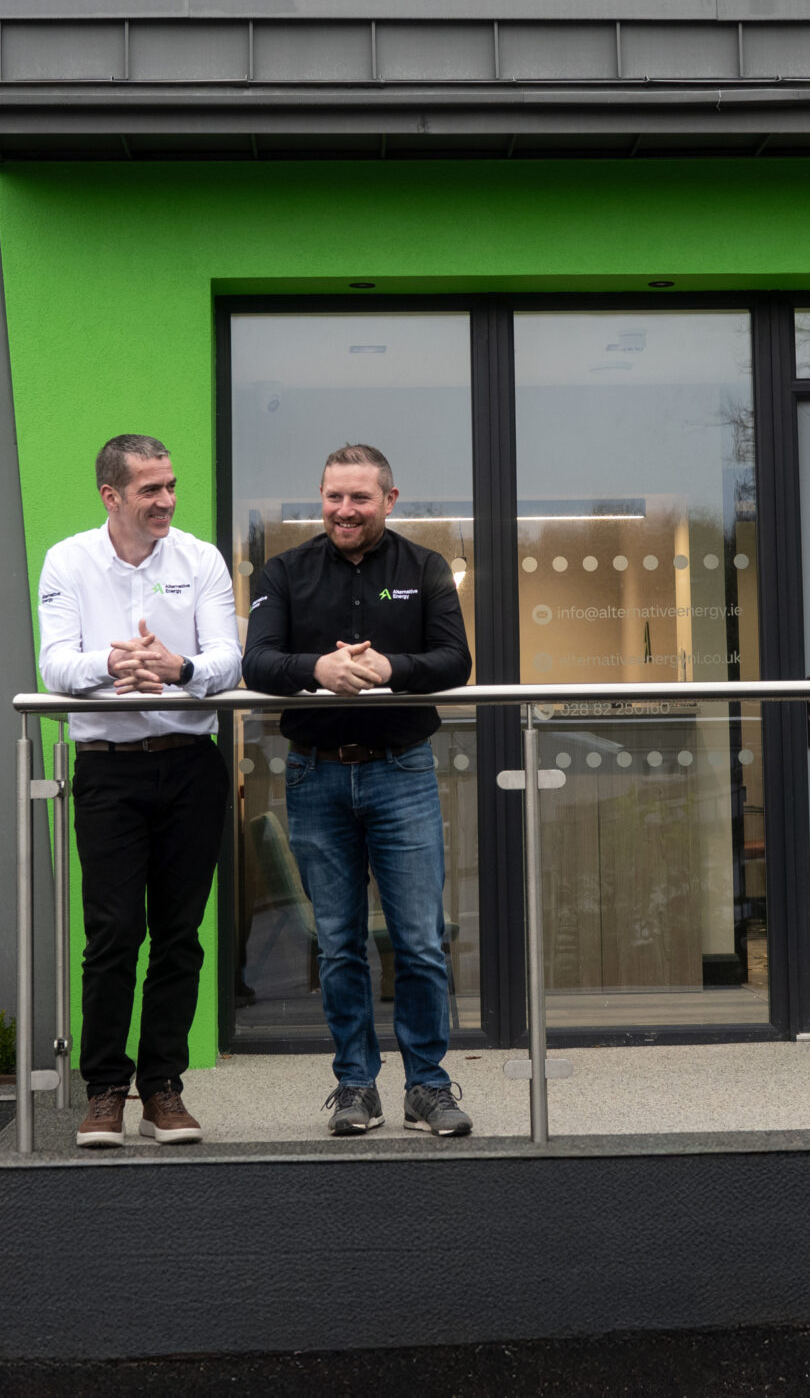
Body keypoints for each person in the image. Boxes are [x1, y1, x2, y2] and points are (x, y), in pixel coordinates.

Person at [244, 444, 475, 1137]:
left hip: (401, 769)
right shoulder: (283, 572)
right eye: (334, 497)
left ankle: (428, 1086)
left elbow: (454, 660)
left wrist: (388, 668)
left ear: (390, 499)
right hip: (315, 774)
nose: (346, 510)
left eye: (361, 498)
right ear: (321, 498)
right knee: (340, 943)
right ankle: (355, 1085)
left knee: (421, 939)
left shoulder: (425, 568)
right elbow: (257, 661)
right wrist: (315, 666)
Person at [37, 433, 242, 1149]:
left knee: (179, 936)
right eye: (151, 488)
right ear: (111, 495)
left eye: (170, 485)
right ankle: (103, 1091)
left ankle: (163, 1088)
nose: (167, 500)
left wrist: (176, 667)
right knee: (114, 932)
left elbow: (227, 659)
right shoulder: (69, 559)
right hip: (108, 768)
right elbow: (56, 665)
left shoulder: (201, 559)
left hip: (191, 765)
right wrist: (117, 664)